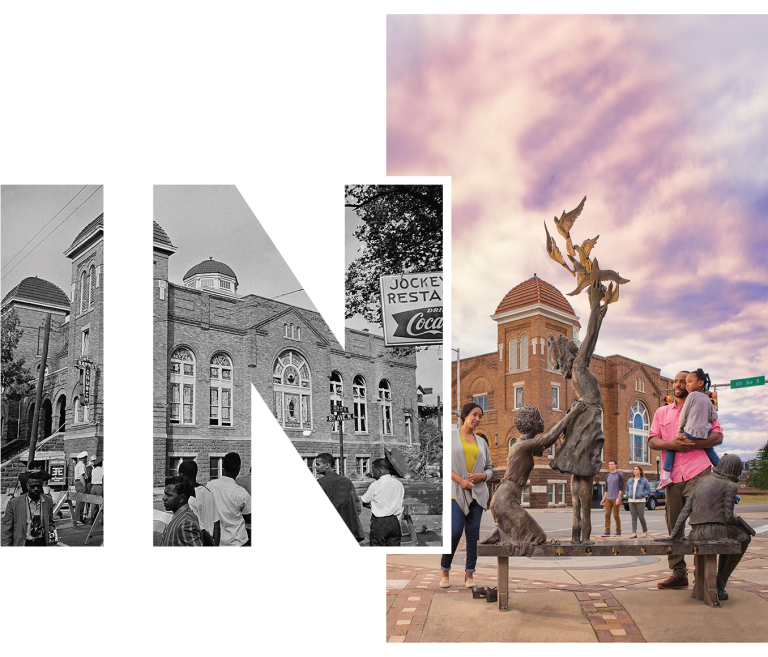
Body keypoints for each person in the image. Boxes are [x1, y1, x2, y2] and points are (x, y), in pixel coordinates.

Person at [647, 370, 723, 590]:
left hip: (698, 472)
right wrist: (672, 445)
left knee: (703, 524)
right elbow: (652, 441)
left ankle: (705, 576)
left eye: (684, 380)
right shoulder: (662, 412)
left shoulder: (702, 404)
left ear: (693, 384)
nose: (680, 384)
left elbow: (718, 436)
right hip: (671, 477)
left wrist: (691, 444)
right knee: (673, 526)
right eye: (677, 381)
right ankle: (679, 574)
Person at [481, 401, 586, 555]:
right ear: (531, 424)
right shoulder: (520, 446)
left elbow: (550, 442)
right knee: (537, 536)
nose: (542, 422)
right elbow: (549, 437)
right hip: (504, 500)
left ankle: (499, 532)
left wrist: (569, 422)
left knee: (531, 534)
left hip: (505, 498)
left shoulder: (526, 445)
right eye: (540, 420)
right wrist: (571, 415)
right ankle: (501, 533)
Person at [549, 281, 608, 544]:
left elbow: (591, 341)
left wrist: (597, 313)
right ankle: (584, 529)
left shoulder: (576, 375)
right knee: (585, 473)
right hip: (589, 419)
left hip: (581, 418)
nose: (578, 349)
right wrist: (594, 311)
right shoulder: (581, 369)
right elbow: (590, 339)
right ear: (571, 354)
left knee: (577, 473)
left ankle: (577, 526)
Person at [442, 402, 493, 589]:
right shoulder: (452, 436)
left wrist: (482, 476)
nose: (477, 419)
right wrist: (461, 481)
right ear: (464, 415)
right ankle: (444, 570)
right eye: (474, 415)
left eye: (480, 416)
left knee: (473, 535)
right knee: (454, 532)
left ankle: (469, 575)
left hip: (477, 495)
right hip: (455, 492)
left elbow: (490, 468)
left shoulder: (482, 442)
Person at [658, 368, 719, 490]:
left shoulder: (691, 396)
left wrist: (680, 430)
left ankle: (666, 477)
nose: (685, 385)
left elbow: (683, 415)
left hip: (691, 433)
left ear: (700, 383)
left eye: (687, 382)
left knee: (671, 447)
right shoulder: (707, 399)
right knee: (710, 450)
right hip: (705, 432)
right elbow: (714, 416)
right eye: (676, 381)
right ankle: (722, 469)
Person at [206, 452, 253, 547]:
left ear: (223, 466)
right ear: (238, 469)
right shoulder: (241, 493)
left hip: (216, 541)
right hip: (237, 541)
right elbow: (249, 517)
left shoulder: (209, 486)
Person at [316, 453, 364, 543]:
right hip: (350, 527)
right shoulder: (346, 481)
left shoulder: (320, 483)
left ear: (327, 465)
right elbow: (357, 506)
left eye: (318, 464)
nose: (315, 467)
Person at [1, 472, 55, 547]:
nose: (36, 489)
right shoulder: (14, 503)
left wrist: (52, 536)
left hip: (41, 542)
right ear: (27, 486)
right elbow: (6, 529)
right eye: (32, 486)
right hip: (24, 543)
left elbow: (50, 522)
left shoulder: (48, 501)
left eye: (38, 486)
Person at [361, 459, 404, 547]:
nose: (373, 474)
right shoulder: (399, 484)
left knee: (378, 544)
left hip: (380, 522)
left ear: (379, 471)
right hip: (394, 521)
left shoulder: (376, 485)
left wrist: (371, 504)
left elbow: (365, 500)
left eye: (373, 471)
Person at [160, 476, 203, 547]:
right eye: (165, 494)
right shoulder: (180, 516)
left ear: (182, 498)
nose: (164, 498)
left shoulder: (186, 522)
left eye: (169, 495)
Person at [624, 465, 650, 537]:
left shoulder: (644, 480)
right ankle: (634, 533)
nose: (635, 470)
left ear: (640, 471)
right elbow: (626, 490)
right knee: (633, 517)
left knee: (641, 517)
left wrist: (642, 494)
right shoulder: (630, 480)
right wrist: (627, 494)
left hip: (640, 501)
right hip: (631, 501)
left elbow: (648, 490)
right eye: (634, 469)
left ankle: (644, 531)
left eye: (636, 469)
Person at [600, 460, 624, 537]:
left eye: (612, 464)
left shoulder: (619, 475)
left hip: (615, 498)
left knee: (616, 515)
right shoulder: (607, 476)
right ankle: (607, 531)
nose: (610, 466)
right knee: (607, 515)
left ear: (615, 465)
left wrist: (619, 498)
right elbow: (606, 489)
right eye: (609, 464)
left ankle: (618, 531)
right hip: (608, 498)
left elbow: (621, 488)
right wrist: (604, 498)